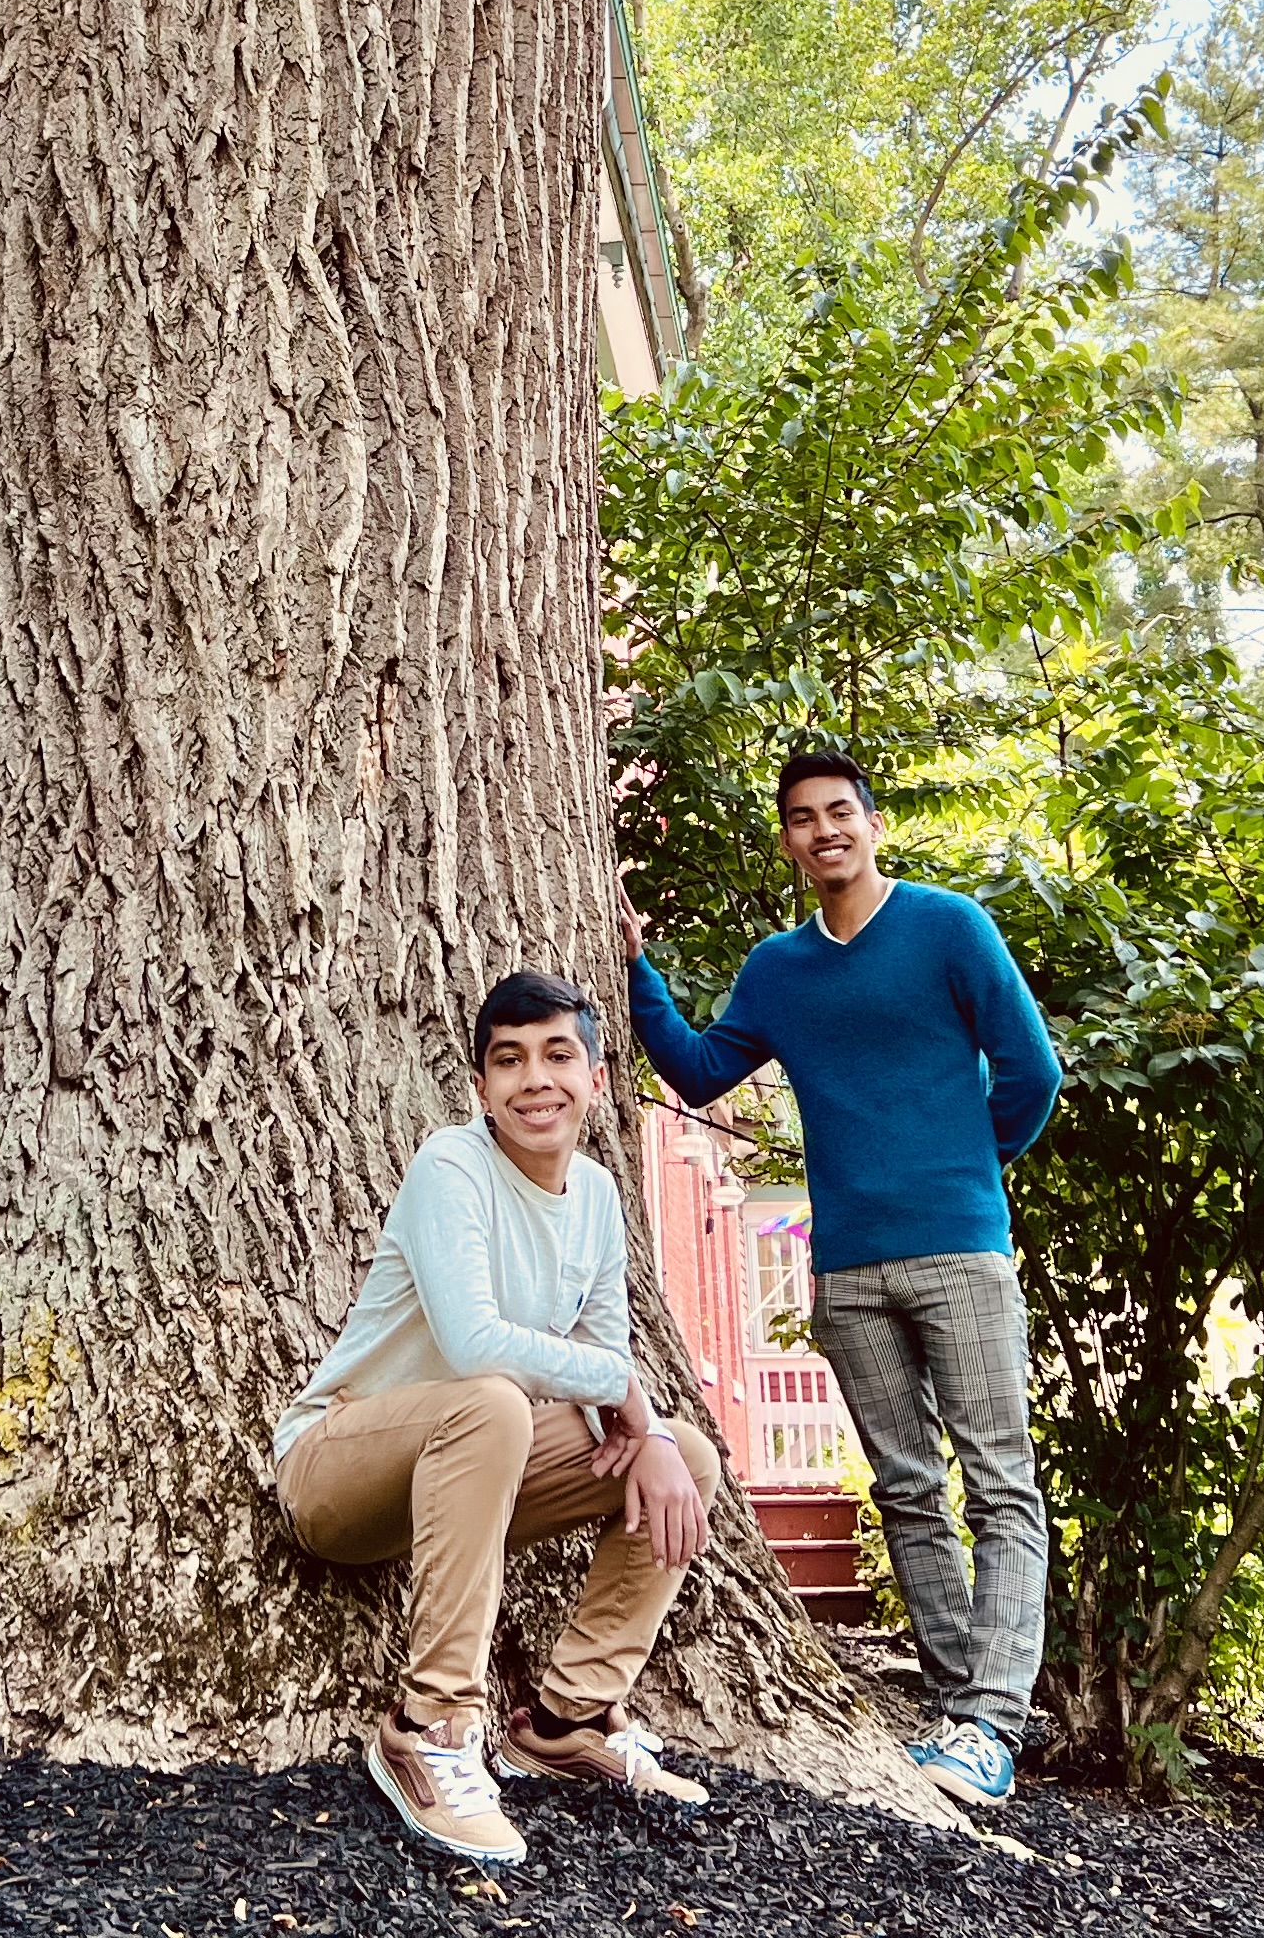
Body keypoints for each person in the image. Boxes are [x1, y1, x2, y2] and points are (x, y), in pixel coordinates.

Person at [620, 749, 1060, 1808]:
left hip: (961, 1249)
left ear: (873, 825)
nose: (824, 831)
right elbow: (699, 1068)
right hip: (846, 1269)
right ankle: (957, 1714)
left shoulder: (950, 927)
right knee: (907, 1488)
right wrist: (635, 968)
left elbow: (1034, 1073)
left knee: (997, 1481)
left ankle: (994, 1724)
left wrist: (956, 1171)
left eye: (840, 813)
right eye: (803, 819)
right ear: (789, 841)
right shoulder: (780, 969)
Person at [276, 969, 723, 1868]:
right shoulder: (452, 1163)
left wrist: (650, 1426)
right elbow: (476, 1344)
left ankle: (566, 1721)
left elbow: (605, 1359)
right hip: (340, 1468)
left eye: (560, 1055)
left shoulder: (596, 1195)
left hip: (466, 1486)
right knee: (493, 1398)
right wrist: (624, 1389)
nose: (535, 1080)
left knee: (686, 1461)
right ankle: (429, 1727)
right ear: (481, 1086)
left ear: (597, 1078)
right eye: (508, 1061)